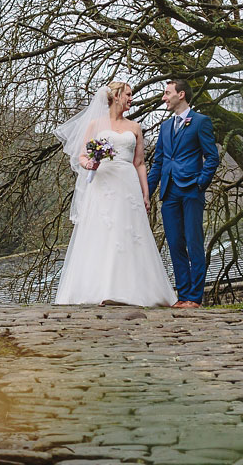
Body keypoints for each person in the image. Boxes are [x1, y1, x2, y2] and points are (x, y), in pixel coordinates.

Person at [52, 82, 177, 306]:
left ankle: (134, 291)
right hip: (103, 184)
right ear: (117, 96)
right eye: (128, 95)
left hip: (127, 183)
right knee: (103, 233)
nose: (131, 99)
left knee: (129, 233)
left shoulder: (135, 127)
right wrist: (88, 163)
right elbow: (82, 155)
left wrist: (145, 193)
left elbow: (139, 163)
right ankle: (101, 289)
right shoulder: (95, 124)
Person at [147, 79, 219, 308]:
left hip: (191, 191)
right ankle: (183, 295)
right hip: (169, 192)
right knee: (175, 243)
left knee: (193, 242)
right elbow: (158, 163)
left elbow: (212, 157)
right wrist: (146, 193)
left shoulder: (200, 122)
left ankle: (195, 298)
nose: (163, 98)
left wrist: (200, 184)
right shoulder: (165, 127)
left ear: (181, 94)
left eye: (167, 93)